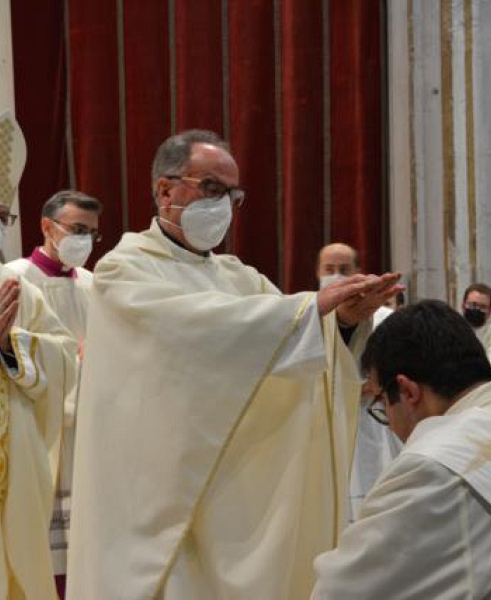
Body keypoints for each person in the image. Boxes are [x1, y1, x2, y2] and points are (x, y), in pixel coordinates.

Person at [66, 129, 401, 600]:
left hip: (230, 501)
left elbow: (298, 348)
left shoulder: (239, 277)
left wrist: (342, 323)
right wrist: (311, 309)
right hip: (160, 505)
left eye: (233, 194)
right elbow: (192, 332)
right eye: (211, 188)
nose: (223, 204)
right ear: (165, 189)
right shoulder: (125, 270)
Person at [312, 299, 491, 599]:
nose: (389, 424)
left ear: (407, 391)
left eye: (381, 404)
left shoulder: (431, 468)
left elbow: (340, 592)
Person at [0, 111, 78, 599]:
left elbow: (64, 355)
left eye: (0, 218)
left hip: (16, 460)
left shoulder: (14, 284)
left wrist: (12, 345)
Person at [5, 189, 103, 597]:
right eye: (77, 229)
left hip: (90, 430)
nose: (85, 240)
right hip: (38, 428)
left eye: (93, 234)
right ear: (48, 226)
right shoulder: (14, 278)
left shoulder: (95, 285)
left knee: (89, 545)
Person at [317, 243, 401, 521]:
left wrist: (377, 385)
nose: (337, 275)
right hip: (324, 422)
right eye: (330, 269)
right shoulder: (305, 318)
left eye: (344, 269)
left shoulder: (385, 319)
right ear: (318, 273)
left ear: (358, 272)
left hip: (374, 422)